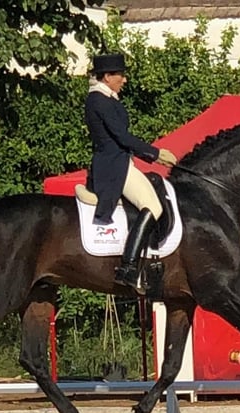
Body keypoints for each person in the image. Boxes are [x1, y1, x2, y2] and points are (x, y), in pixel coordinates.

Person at [85, 53, 178, 292]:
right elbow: (121, 136)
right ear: (107, 77)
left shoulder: (108, 99)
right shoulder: (98, 100)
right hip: (113, 166)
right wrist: (155, 154)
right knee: (154, 207)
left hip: (122, 161)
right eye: (120, 75)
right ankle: (128, 267)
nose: (124, 80)